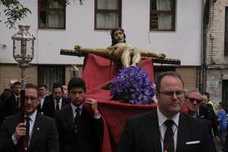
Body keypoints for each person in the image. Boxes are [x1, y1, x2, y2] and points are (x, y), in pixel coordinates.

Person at [117, 72, 216, 152]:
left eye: (178, 93)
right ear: (157, 95)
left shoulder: (200, 127)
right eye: (169, 93)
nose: (175, 97)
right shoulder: (135, 126)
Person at [0, 83, 59, 152]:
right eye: (26, 98)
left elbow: (53, 149)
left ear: (38, 101)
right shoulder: (8, 122)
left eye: (32, 98)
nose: (29, 102)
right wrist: (14, 138)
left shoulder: (49, 123)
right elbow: (2, 148)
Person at [55, 77, 103, 152]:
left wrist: (96, 112)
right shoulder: (61, 114)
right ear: (68, 93)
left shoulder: (91, 112)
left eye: (80, 92)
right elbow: (58, 140)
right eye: (74, 93)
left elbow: (99, 135)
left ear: (85, 93)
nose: (77, 96)